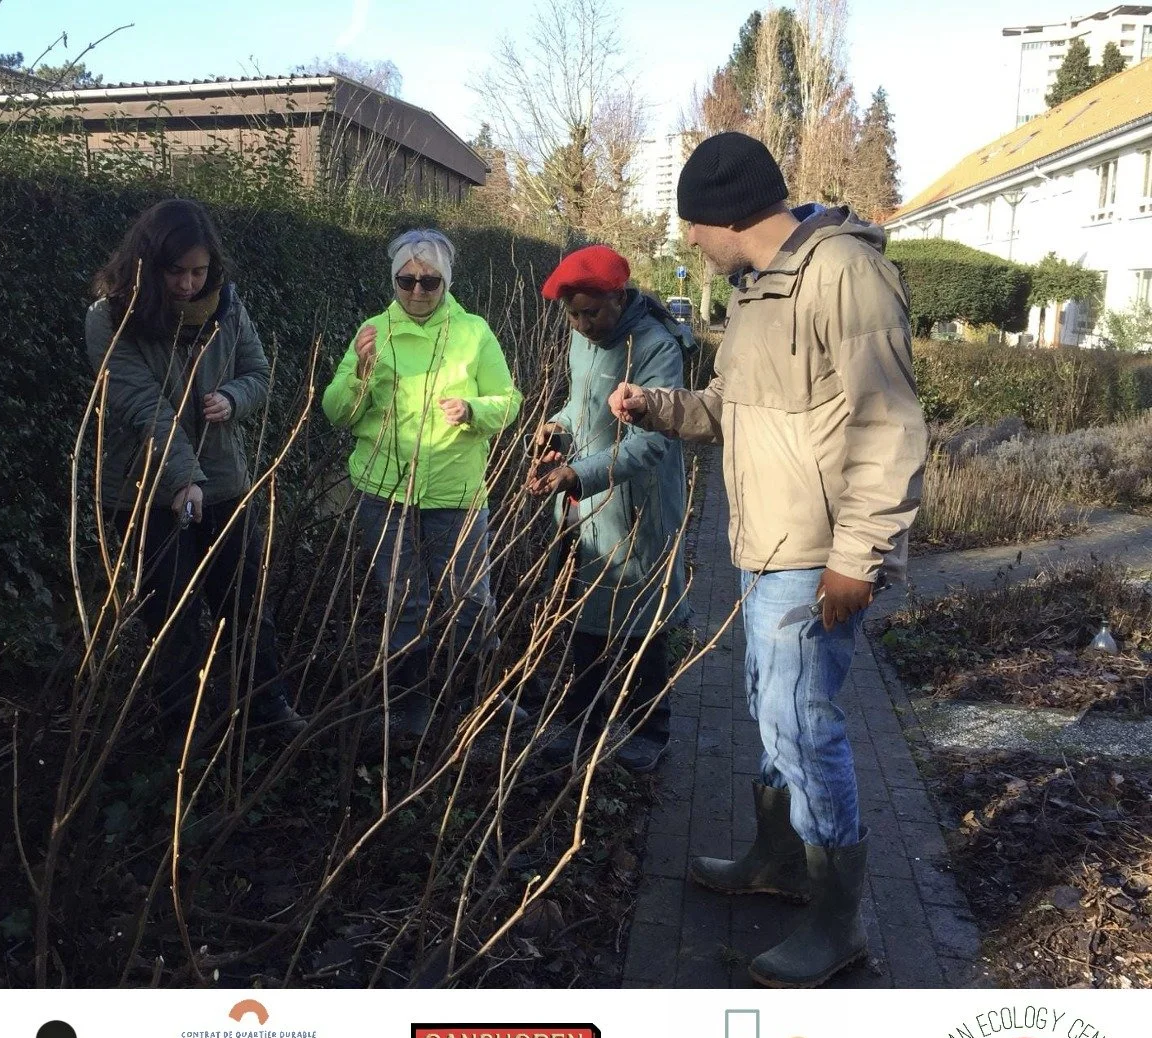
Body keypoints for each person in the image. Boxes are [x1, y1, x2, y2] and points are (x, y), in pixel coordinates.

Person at [610, 132, 927, 988]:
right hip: (762, 550)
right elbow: (731, 409)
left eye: (690, 227)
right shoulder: (755, 291)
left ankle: (839, 922)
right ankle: (778, 859)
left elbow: (889, 425)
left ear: (725, 215)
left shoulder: (842, 277)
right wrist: (657, 407)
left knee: (803, 726)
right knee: (769, 706)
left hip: (816, 555)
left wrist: (858, 558)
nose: (687, 245)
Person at [85, 198, 302, 743]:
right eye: (175, 271)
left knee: (245, 603)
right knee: (172, 616)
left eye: (198, 271)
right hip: (146, 488)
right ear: (147, 265)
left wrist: (234, 397)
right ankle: (179, 732)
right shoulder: (111, 319)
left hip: (225, 481)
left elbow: (258, 372)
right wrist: (183, 477)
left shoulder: (228, 307)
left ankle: (265, 708)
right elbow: (144, 407)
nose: (187, 284)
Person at [322, 229, 523, 742]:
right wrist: (359, 374)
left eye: (429, 281)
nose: (416, 291)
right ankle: (409, 706)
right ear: (393, 280)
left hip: (454, 492)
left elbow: (508, 401)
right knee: (404, 601)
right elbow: (337, 414)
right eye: (406, 280)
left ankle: (481, 698)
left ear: (446, 281)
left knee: (470, 596)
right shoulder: (373, 331)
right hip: (385, 492)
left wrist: (474, 410)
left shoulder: (474, 333)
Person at [527, 245, 691, 775]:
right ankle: (580, 724)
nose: (581, 324)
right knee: (584, 615)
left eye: (591, 312)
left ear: (619, 297)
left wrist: (578, 474)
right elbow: (581, 407)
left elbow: (654, 443)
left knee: (644, 622)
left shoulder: (657, 347)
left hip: (638, 506)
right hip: (586, 506)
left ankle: (652, 728)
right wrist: (555, 425)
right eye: (572, 314)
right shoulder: (582, 339)